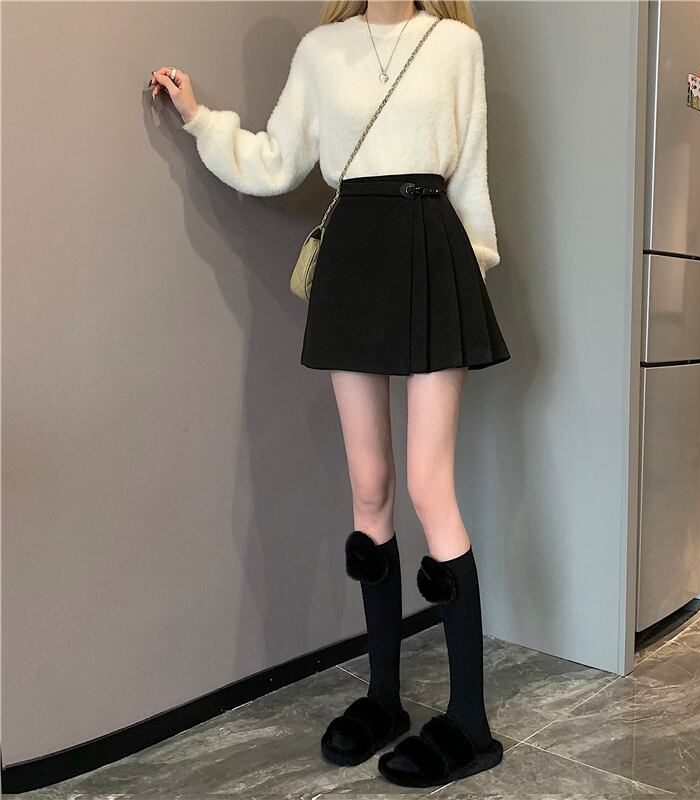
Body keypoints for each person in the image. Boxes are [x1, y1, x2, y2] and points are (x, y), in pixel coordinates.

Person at [149, 0, 510, 787]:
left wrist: (467, 278)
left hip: (432, 253)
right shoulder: (320, 50)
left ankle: (470, 723)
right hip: (353, 262)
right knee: (370, 488)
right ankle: (384, 698)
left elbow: (472, 175)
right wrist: (200, 120)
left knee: (430, 486)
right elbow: (278, 159)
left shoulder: (456, 45)